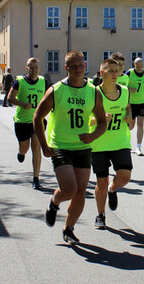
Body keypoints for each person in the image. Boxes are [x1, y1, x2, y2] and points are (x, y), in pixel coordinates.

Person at [34, 50, 107, 244]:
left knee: (80, 192)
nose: (77, 69)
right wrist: (43, 145)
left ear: (85, 66)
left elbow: (102, 123)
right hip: (61, 146)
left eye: (80, 65)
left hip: (82, 147)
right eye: (73, 66)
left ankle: (68, 229)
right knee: (69, 189)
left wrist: (92, 136)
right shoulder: (56, 90)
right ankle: (55, 201)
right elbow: (37, 118)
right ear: (66, 68)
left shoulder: (93, 91)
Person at [90, 58, 133, 229]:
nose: (115, 74)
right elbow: (86, 118)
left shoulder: (124, 91)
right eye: (111, 70)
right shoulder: (93, 93)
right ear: (102, 73)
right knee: (101, 181)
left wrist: (129, 115)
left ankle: (112, 189)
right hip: (99, 143)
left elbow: (128, 106)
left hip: (120, 141)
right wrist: (97, 120)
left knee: (125, 176)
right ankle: (100, 214)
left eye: (117, 70)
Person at [8, 58, 48, 189]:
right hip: (22, 121)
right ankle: (21, 152)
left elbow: (50, 98)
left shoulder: (43, 82)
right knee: (24, 148)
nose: (34, 70)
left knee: (37, 147)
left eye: (36, 67)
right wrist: (23, 104)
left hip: (37, 121)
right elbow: (10, 98)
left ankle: (36, 178)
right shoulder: (19, 82)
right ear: (27, 68)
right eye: (31, 67)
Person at [125, 57, 144, 156]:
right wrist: (129, 88)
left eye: (141, 66)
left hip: (142, 102)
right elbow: (122, 86)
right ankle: (126, 143)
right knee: (131, 126)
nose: (139, 68)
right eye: (137, 66)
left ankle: (138, 147)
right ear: (134, 65)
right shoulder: (129, 73)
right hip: (131, 103)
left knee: (140, 123)